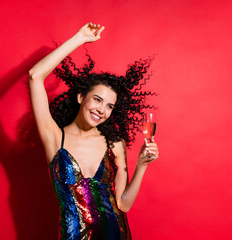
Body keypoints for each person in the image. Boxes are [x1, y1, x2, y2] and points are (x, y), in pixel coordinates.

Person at [29, 22, 159, 240]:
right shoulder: (55, 137)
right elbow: (35, 76)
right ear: (81, 97)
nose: (102, 110)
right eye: (97, 100)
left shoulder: (113, 143)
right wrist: (79, 38)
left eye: (109, 106)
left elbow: (123, 204)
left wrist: (141, 166)